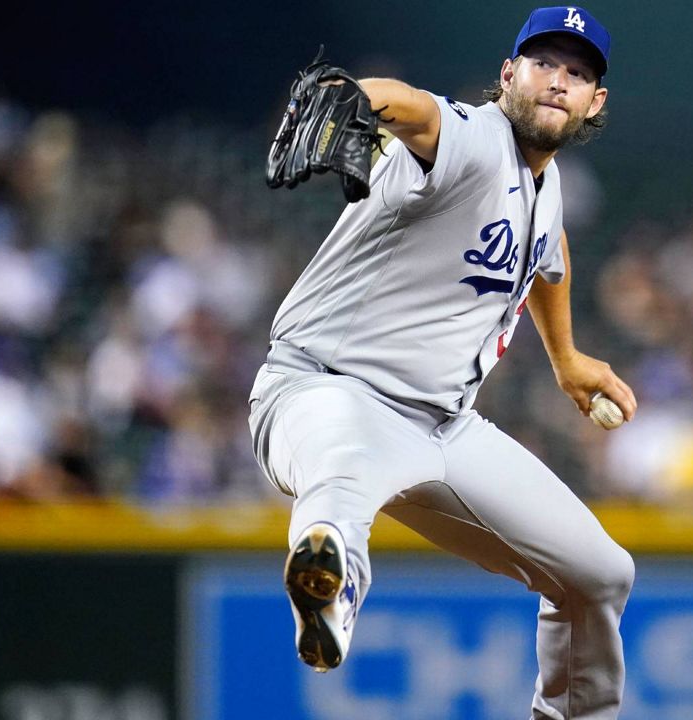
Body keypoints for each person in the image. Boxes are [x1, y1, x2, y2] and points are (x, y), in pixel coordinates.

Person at [246, 7, 637, 718]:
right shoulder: (475, 139)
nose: (558, 81)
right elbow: (415, 110)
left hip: (445, 428)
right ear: (508, 73)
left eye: (577, 73)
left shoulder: (544, 190)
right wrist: (359, 98)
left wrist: (568, 358)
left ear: (594, 103)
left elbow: (551, 258)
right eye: (544, 63)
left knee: (600, 575)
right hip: (327, 389)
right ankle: (331, 589)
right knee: (341, 479)